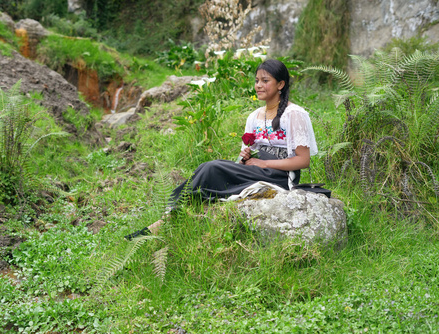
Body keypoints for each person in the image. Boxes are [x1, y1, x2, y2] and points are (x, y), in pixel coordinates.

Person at [125, 59, 318, 240]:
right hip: (256, 169)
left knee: (212, 168)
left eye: (265, 81)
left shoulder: (294, 114)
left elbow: (303, 160)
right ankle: (169, 217)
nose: (258, 85)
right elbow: (246, 155)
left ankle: (164, 220)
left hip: (280, 176)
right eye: (256, 80)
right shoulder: (254, 117)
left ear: (281, 85)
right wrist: (245, 157)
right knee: (205, 168)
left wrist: (263, 162)